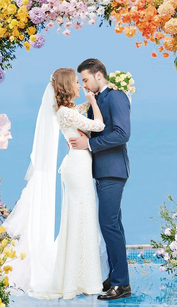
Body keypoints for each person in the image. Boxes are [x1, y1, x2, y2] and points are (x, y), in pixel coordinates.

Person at [3, 68, 109, 299]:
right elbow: (98, 125)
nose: (81, 86)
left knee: (82, 218)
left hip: (78, 166)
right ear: (67, 86)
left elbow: (81, 112)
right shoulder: (65, 112)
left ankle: (80, 277)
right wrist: (94, 102)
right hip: (77, 167)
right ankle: (76, 279)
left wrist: (90, 101)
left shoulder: (68, 110)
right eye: (76, 83)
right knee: (81, 218)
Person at [69, 58, 132, 301]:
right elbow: (98, 127)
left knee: (108, 224)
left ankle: (121, 284)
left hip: (113, 170)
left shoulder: (116, 96)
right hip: (103, 170)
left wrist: (90, 144)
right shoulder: (98, 100)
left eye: (85, 79)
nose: (83, 85)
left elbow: (123, 133)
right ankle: (116, 276)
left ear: (98, 75)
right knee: (113, 224)